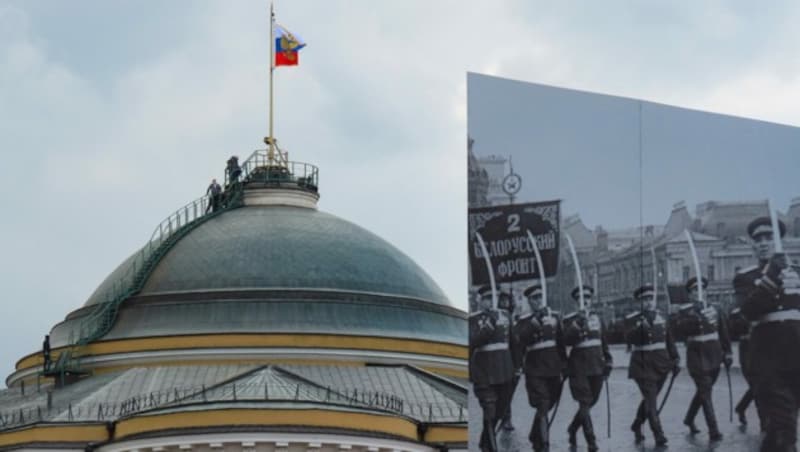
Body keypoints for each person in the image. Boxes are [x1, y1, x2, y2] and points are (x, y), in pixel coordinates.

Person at [734, 217, 800, 452]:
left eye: (769, 237)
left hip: (797, 359)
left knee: (777, 432)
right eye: (758, 239)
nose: (763, 243)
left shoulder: (799, 273)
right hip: (769, 364)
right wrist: (773, 273)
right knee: (786, 431)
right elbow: (749, 311)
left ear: (780, 241)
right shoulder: (746, 278)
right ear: (752, 246)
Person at [672, 276, 732, 441]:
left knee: (703, 392)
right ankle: (714, 430)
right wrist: (695, 315)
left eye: (702, 289)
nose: (699, 293)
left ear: (705, 291)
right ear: (690, 294)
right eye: (694, 290)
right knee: (705, 392)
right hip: (696, 357)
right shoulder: (684, 312)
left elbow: (723, 332)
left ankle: (689, 418)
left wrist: (728, 352)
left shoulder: (715, 309)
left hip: (715, 356)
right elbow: (679, 330)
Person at [513, 283, 567, 452]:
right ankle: (544, 445)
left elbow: (560, 343)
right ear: (529, 301)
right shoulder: (523, 322)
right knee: (542, 405)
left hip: (553, 368)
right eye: (534, 298)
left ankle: (534, 433)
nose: (537, 301)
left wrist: (565, 365)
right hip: (535, 370)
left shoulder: (555, 316)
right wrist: (535, 323)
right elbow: (520, 340)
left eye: (539, 297)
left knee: (549, 404)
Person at [625, 284, 679, 447]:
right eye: (644, 300)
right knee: (651, 401)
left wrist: (675, 358)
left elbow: (669, 340)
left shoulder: (662, 317)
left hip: (662, 365)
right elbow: (629, 338)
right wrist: (640, 328)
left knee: (650, 400)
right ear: (638, 303)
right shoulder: (633, 319)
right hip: (642, 366)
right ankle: (659, 434)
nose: (648, 302)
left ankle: (637, 424)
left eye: (650, 299)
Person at [562, 285, 611, 452]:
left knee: (592, 401)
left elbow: (603, 342)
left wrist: (609, 361)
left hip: (597, 366)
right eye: (581, 300)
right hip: (578, 368)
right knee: (584, 403)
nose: (585, 302)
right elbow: (566, 340)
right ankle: (591, 441)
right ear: (576, 303)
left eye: (588, 299)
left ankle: (573, 428)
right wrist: (578, 323)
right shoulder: (569, 320)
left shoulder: (598, 319)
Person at [470, 285, 514, 452]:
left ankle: (484, 440)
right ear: (480, 300)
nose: (491, 302)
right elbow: (472, 343)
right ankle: (491, 448)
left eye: (494, 298)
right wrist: (488, 326)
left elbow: (513, 344)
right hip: (484, 373)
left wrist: (516, 368)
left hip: (504, 372)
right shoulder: (473, 319)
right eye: (488, 298)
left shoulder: (506, 316)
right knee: (489, 410)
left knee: (500, 411)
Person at [729, 305, 765, 429]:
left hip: (761, 350)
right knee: (756, 386)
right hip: (747, 351)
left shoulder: (763, 308)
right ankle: (764, 423)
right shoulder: (738, 313)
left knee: (758, 386)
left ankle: (741, 408)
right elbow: (734, 329)